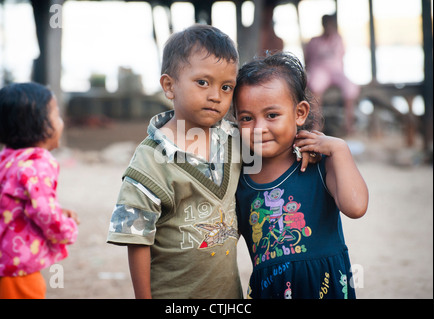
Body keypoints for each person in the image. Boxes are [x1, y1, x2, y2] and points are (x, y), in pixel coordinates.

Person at [106, 24, 244, 299]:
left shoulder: (235, 142)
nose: (216, 95)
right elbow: (137, 239)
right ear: (169, 86)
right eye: (203, 82)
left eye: (226, 87)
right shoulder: (150, 161)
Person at [233, 51, 368, 299]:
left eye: (272, 115)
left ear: (300, 113)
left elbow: (356, 207)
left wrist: (340, 149)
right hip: (271, 290)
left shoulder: (319, 164)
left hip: (326, 287)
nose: (259, 129)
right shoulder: (239, 177)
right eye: (246, 118)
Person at [0, 82, 79, 299]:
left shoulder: (6, 157)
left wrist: (59, 210)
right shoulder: (39, 161)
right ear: (40, 125)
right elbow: (44, 212)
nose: (61, 123)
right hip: (20, 269)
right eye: (56, 116)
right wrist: (68, 230)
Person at [304, 14, 360, 135]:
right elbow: (307, 60)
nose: (329, 27)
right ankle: (317, 124)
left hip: (336, 72)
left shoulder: (338, 39)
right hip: (319, 72)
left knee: (350, 88)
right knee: (315, 86)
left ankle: (348, 125)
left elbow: (341, 58)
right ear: (323, 25)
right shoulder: (314, 41)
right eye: (327, 24)